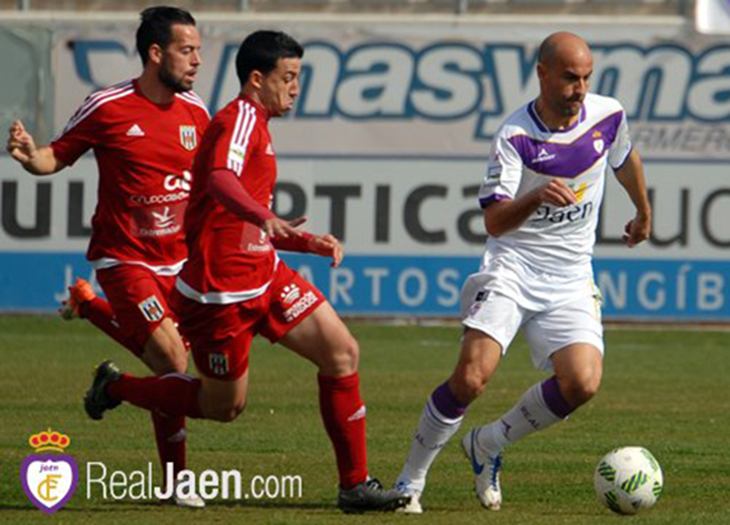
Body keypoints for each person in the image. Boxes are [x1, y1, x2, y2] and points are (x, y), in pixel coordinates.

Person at [82, 30, 410, 513]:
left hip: (267, 275)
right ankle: (116, 388)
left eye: (299, 77)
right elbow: (218, 180)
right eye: (289, 77)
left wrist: (305, 242)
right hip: (220, 297)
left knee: (342, 353)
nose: (296, 88)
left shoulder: (258, 124)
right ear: (257, 79)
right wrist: (263, 217)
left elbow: (244, 217)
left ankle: (355, 486)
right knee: (223, 407)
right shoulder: (238, 119)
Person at [393, 31, 652, 514]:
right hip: (513, 268)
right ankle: (410, 480)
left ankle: (487, 444)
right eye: (570, 78)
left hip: (571, 276)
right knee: (471, 378)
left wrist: (643, 209)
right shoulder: (515, 137)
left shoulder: (607, 114)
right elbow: (493, 221)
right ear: (543, 74)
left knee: (582, 383)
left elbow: (624, 158)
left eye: (586, 78)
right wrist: (534, 197)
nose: (580, 89)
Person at [6, 6, 210, 508]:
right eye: (187, 50)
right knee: (171, 359)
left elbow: (211, 184)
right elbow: (57, 155)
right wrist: (33, 157)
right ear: (155, 53)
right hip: (126, 258)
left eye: (199, 51)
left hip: (179, 263)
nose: (197, 61)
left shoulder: (197, 112)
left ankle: (107, 364)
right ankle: (178, 482)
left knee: (173, 373)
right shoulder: (108, 105)